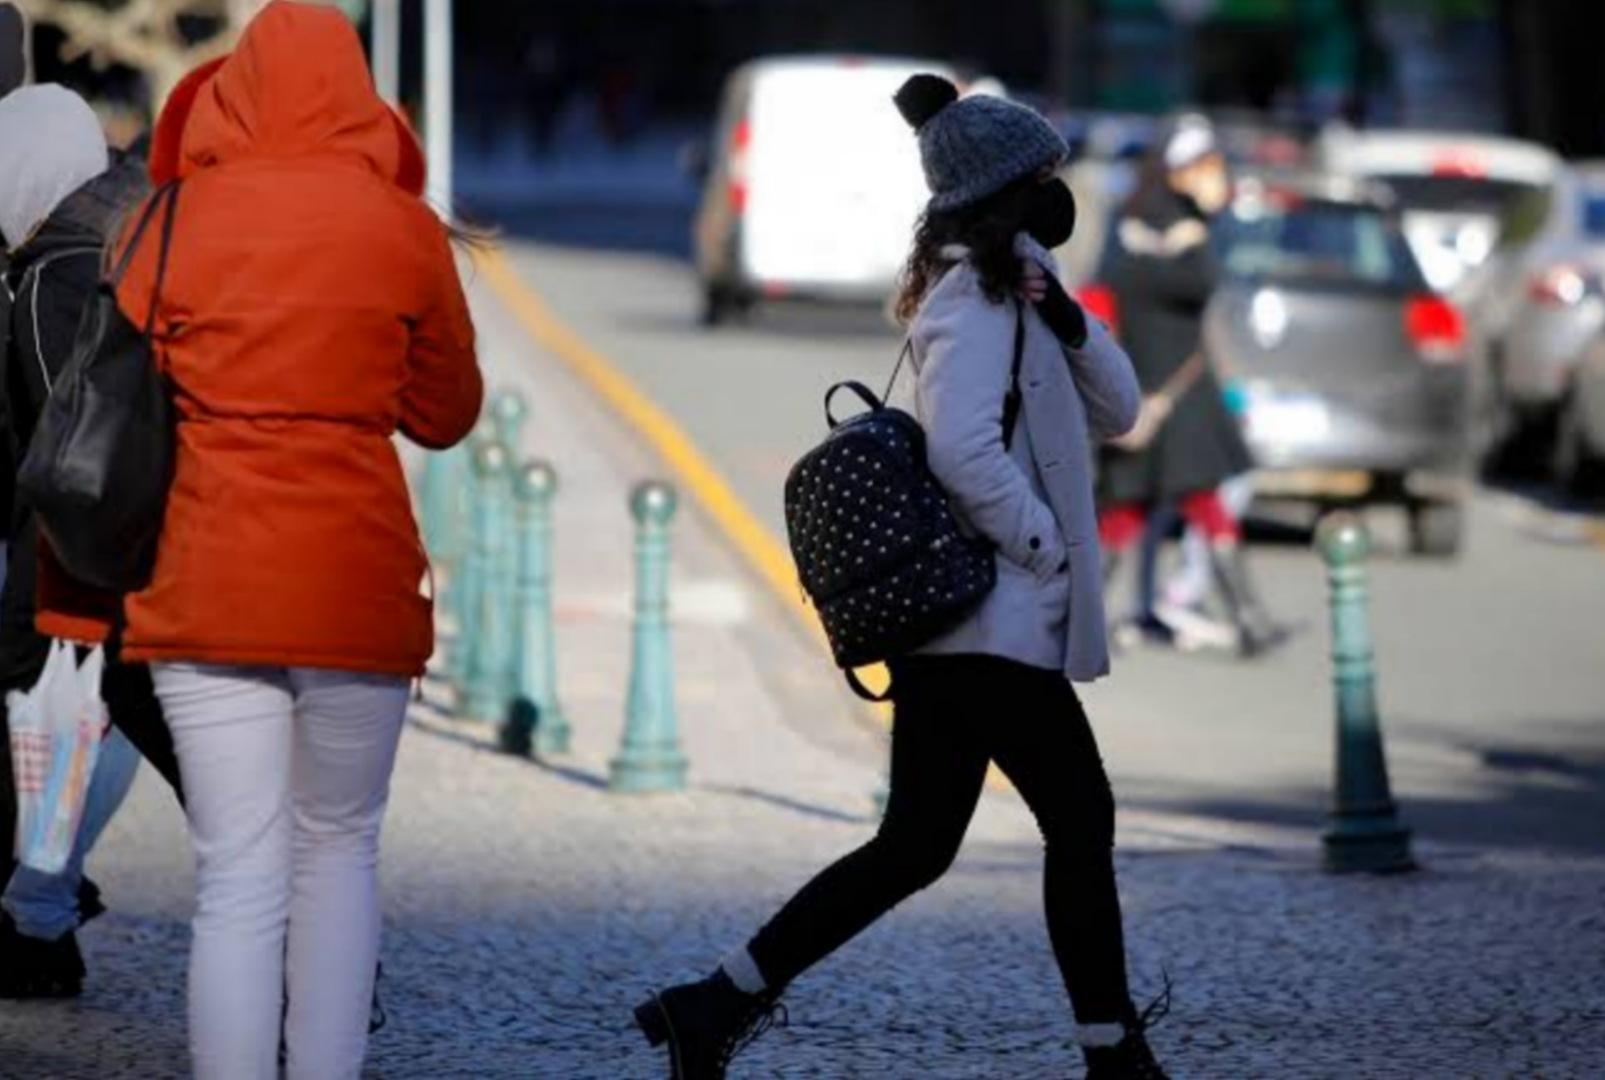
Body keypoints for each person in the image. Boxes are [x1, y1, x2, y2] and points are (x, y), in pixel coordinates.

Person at [637, 74, 1170, 1080]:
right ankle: (1113, 1056)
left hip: (969, 633)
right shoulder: (969, 303)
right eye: (1043, 174)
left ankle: (711, 1005)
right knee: (1078, 820)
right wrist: (1042, 549)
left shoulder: (1023, 290)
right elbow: (964, 453)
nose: (1057, 190)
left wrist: (1066, 317)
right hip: (986, 626)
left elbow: (1121, 409)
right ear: (1003, 190)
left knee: (916, 845)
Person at [109, 4, 480, 1077]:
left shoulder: (165, 222)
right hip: (354, 585)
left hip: (203, 581)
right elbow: (446, 414)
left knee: (234, 876)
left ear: (232, 94)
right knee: (339, 853)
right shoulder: (402, 230)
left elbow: (121, 393)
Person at [0, 83, 180, 999]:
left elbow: (51, 445)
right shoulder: (140, 227)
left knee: (74, 716)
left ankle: (35, 919)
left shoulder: (49, 274)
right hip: (176, 538)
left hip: (91, 561)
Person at [1096, 116, 1285, 658]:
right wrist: (1191, 233)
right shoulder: (1166, 229)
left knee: (1146, 504)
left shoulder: (1146, 224)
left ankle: (1247, 617)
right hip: (1166, 388)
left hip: (1159, 385)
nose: (1212, 176)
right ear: (1176, 169)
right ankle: (1247, 618)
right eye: (1202, 165)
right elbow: (1189, 284)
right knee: (1148, 503)